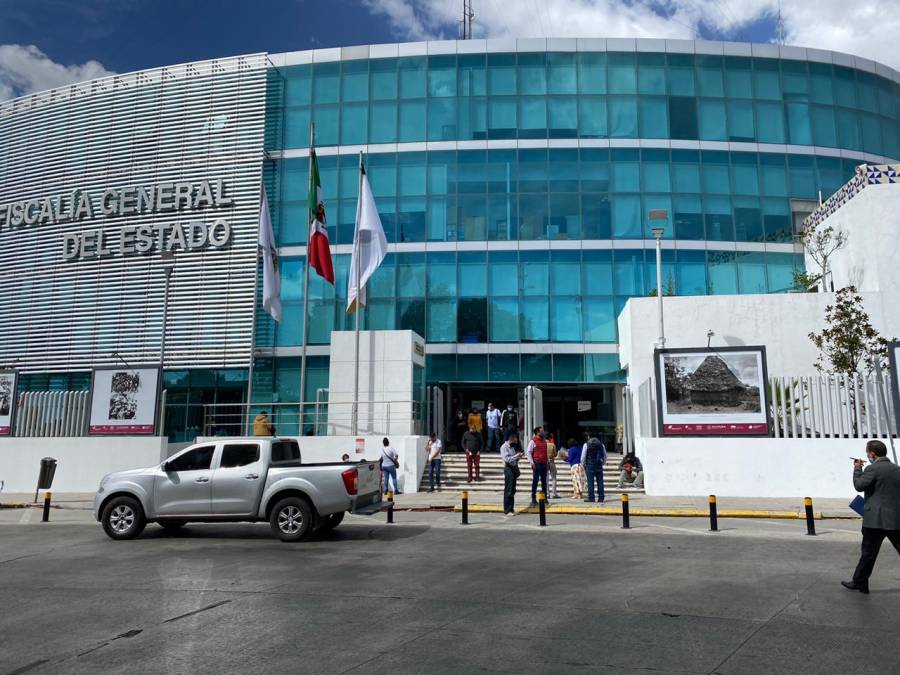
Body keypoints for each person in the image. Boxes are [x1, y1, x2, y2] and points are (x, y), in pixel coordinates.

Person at [842, 440, 900, 594]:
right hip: (895, 519)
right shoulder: (897, 469)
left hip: (874, 521)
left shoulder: (872, 469)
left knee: (868, 554)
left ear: (873, 454)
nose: (867, 456)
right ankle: (860, 583)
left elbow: (859, 485)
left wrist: (857, 468)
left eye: (868, 453)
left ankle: (860, 583)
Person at [500, 432, 523, 514]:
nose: (516, 440)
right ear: (511, 438)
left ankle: (511, 508)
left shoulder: (512, 448)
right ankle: (507, 509)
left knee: (513, 489)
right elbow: (507, 459)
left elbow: (513, 459)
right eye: (514, 439)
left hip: (513, 468)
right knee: (508, 489)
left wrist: (518, 457)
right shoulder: (504, 447)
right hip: (508, 468)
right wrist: (516, 456)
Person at [526, 426, 549, 507]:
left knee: (544, 482)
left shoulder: (544, 441)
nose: (543, 432)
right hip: (537, 463)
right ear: (537, 432)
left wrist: (547, 462)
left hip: (544, 463)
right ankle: (533, 498)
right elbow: (528, 452)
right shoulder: (533, 441)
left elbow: (545, 452)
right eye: (542, 431)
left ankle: (544, 498)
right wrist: (532, 463)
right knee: (535, 481)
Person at [582, 435, 607, 503]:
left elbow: (583, 456)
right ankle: (601, 498)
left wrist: (583, 464)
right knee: (600, 482)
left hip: (590, 465)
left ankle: (591, 498)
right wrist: (603, 463)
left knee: (590, 482)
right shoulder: (601, 444)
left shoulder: (586, 444)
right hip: (599, 465)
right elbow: (605, 455)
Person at [546, 433, 560, 499]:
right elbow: (555, 454)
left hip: (544, 462)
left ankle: (547, 493)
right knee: (553, 478)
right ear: (549, 438)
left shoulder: (542, 445)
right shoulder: (552, 445)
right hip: (551, 461)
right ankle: (554, 493)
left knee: (546, 478)